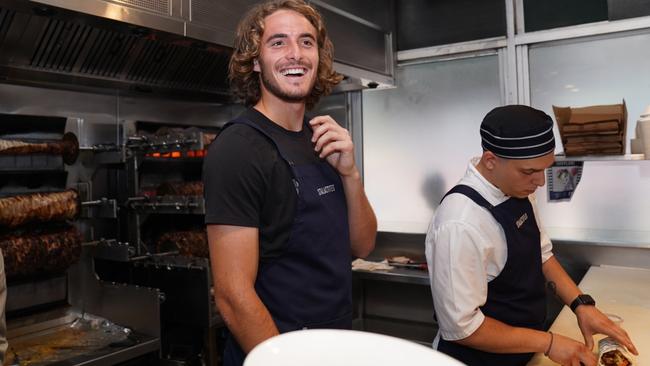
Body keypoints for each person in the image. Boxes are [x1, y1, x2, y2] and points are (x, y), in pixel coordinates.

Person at [202, 1, 377, 365]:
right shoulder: (238, 148)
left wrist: (350, 174)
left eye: (306, 42)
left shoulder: (323, 137)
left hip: (333, 345)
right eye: (278, 42)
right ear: (255, 60)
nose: (295, 54)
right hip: (277, 351)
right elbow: (233, 295)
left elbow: (362, 245)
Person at [425, 105, 638, 366]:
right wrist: (549, 343)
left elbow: (542, 255)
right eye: (529, 172)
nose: (540, 182)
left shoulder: (515, 186)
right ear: (491, 160)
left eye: (545, 169)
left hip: (526, 352)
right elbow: (462, 328)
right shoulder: (459, 223)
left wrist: (582, 305)